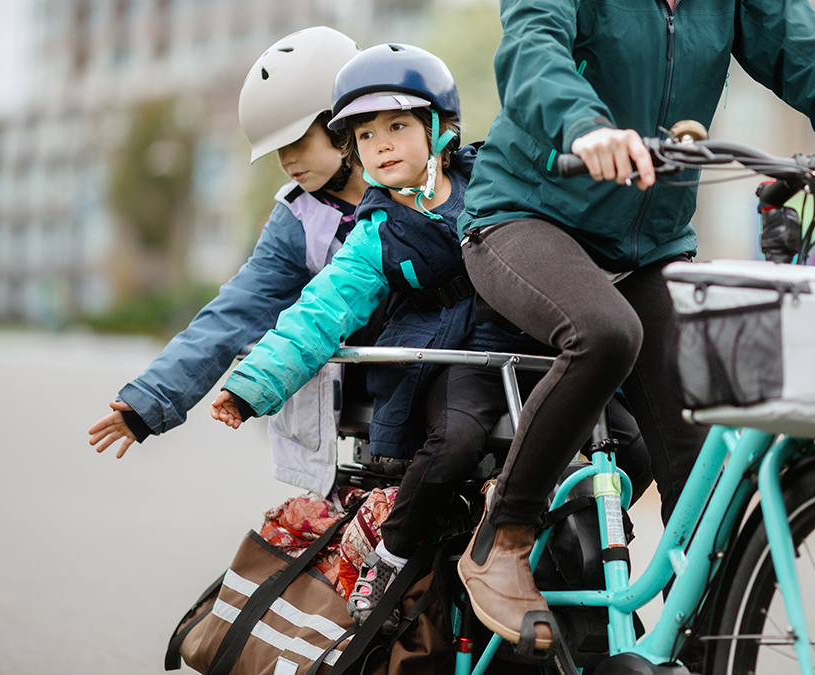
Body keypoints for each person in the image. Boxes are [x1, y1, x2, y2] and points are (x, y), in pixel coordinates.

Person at [453, 0, 815, 649]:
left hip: (649, 246)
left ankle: (696, 649)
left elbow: (813, 63)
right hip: (526, 217)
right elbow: (533, 48)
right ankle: (505, 534)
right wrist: (583, 126)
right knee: (606, 332)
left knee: (703, 467)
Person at [208, 43, 654, 631]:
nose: (382, 144)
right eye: (365, 136)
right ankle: (388, 558)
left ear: (441, 129)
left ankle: (542, 527)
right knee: (455, 443)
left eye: (397, 125)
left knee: (633, 445)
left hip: (536, 350)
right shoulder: (374, 235)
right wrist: (250, 386)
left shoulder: (494, 176)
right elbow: (318, 312)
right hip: (461, 358)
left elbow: (556, 160)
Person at [86, 27, 370, 496]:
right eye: (277, 148)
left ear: (340, 124)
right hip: (368, 409)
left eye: (296, 140)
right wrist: (150, 399)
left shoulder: (424, 180)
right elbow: (233, 311)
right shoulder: (297, 218)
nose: (286, 160)